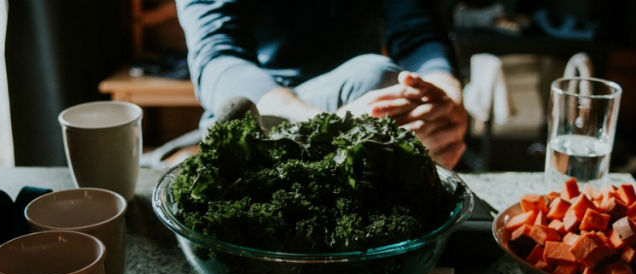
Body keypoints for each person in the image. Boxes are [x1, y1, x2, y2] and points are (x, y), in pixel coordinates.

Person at [176, 0, 467, 168]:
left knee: (391, 87)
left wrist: (444, 100)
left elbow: (418, 28)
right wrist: (327, 129)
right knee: (376, 75)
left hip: (363, 102)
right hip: (269, 110)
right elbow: (217, 59)